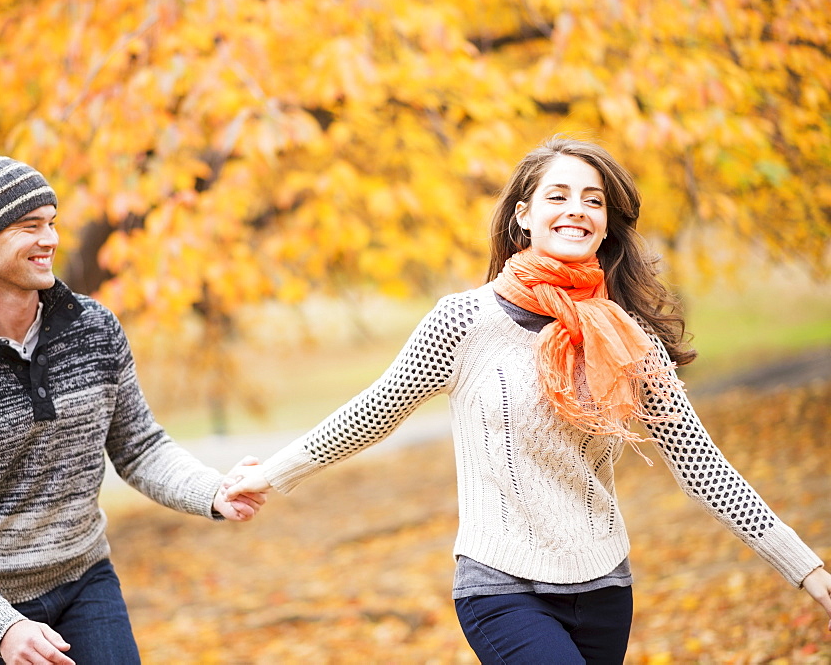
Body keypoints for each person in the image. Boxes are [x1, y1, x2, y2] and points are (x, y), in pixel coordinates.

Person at [225, 137, 831, 663]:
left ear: (606, 224)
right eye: (559, 195)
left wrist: (807, 570)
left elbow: (703, 467)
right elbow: (373, 412)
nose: (577, 210)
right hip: (501, 587)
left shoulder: (626, 338)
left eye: (593, 200)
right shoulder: (464, 323)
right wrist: (270, 475)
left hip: (603, 590)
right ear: (524, 215)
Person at [0, 155, 267, 665]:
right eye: (29, 226)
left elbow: (140, 446)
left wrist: (212, 491)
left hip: (84, 582)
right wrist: (2, 628)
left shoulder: (95, 330)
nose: (51, 239)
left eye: (52, 222)